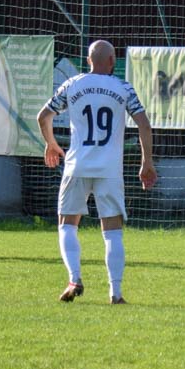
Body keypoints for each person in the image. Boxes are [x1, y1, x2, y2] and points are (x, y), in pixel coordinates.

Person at [36, 40, 157, 304]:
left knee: (67, 224)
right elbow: (144, 126)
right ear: (112, 61)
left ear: (88, 60)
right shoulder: (123, 88)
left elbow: (43, 116)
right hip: (109, 169)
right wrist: (146, 162)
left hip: (77, 165)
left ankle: (74, 278)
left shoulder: (72, 84)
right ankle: (116, 293)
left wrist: (51, 144)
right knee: (112, 230)